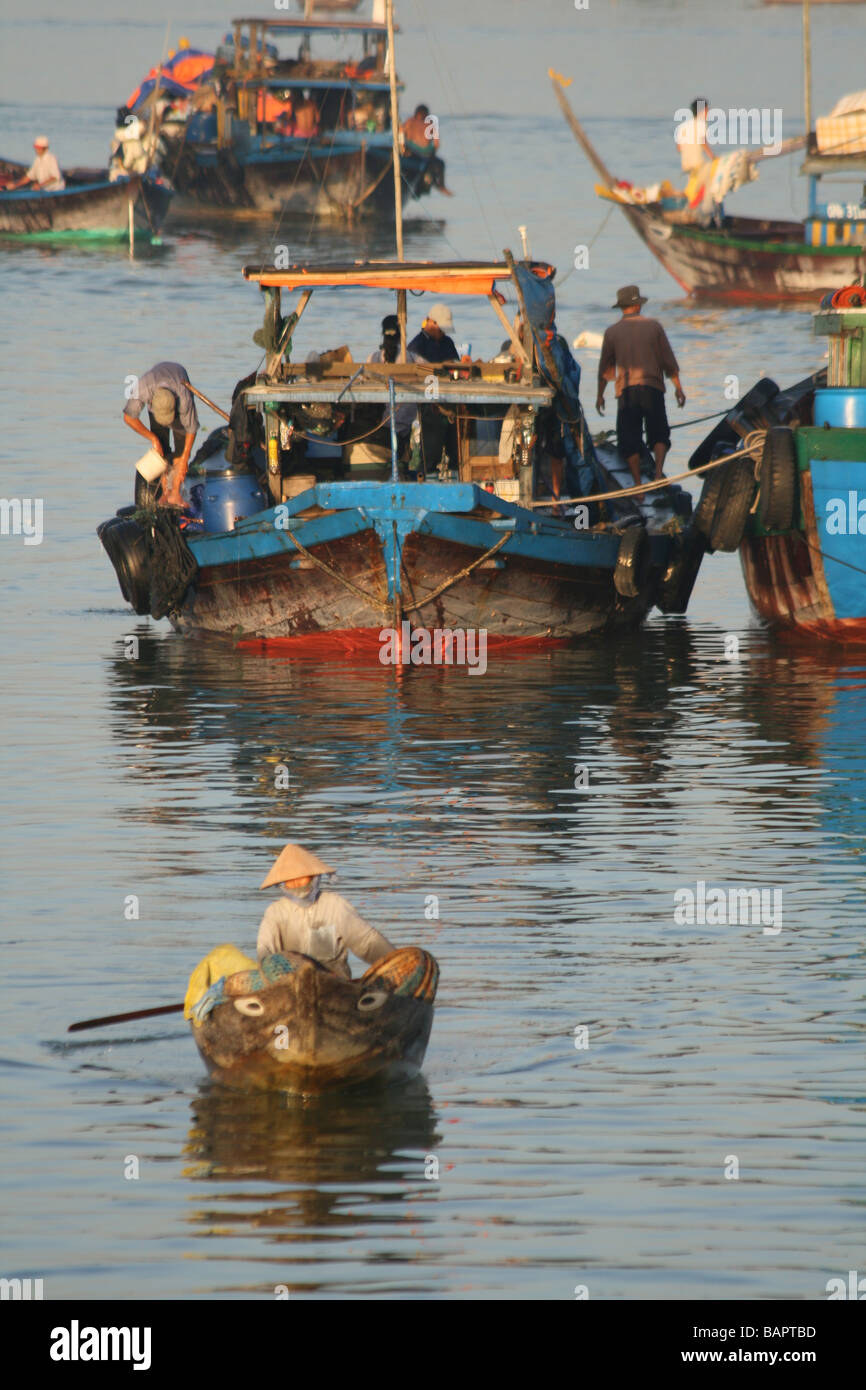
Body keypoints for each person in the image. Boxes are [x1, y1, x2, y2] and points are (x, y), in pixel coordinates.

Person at [256, 843, 395, 979]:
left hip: (335, 988)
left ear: (313, 877)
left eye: (300, 877)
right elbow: (265, 950)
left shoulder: (334, 905)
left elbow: (366, 942)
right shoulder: (276, 912)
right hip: (293, 987)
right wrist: (270, 972)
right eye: (289, 880)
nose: (295, 883)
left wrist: (395, 963)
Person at [596, 286, 686, 487]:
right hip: (652, 387)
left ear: (622, 307)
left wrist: (600, 396)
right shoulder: (654, 327)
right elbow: (668, 361)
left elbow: (605, 370)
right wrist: (678, 388)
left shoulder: (612, 332)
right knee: (659, 433)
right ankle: (658, 475)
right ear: (638, 305)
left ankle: (637, 486)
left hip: (627, 393)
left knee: (629, 438)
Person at [123, 362, 200, 506]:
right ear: (150, 401)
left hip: (178, 381)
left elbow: (192, 428)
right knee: (161, 449)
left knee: (180, 454)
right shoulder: (143, 388)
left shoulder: (184, 399)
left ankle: (175, 494)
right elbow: (129, 418)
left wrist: (184, 458)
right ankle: (165, 494)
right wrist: (153, 439)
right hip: (156, 392)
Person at [408, 305, 460, 477]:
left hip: (450, 402)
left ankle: (456, 476)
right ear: (431, 323)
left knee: (456, 447)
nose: (442, 332)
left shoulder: (447, 342)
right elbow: (421, 371)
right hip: (430, 404)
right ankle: (428, 477)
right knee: (430, 450)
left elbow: (455, 365)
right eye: (439, 328)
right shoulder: (417, 346)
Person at [401, 104, 452, 194]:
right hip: (413, 153)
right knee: (439, 164)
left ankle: (440, 186)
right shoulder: (411, 122)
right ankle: (441, 186)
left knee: (439, 165)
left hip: (421, 154)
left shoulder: (413, 122)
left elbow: (436, 144)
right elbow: (436, 144)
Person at [676, 98, 712, 174]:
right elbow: (703, 143)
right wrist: (713, 158)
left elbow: (679, 148)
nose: (708, 113)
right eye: (707, 110)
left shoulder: (682, 127)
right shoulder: (702, 124)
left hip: (686, 165)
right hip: (698, 164)